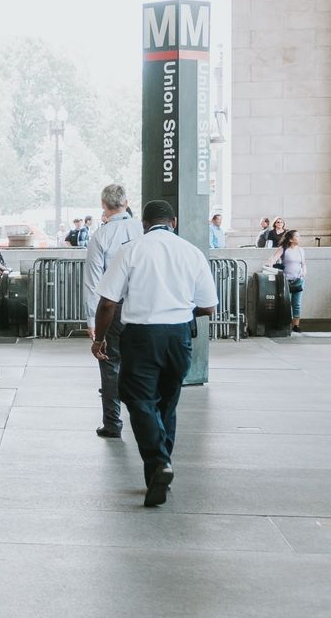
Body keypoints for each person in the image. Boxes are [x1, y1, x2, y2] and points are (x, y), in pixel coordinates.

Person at [92, 198, 218, 507]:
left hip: (142, 335)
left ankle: (159, 461)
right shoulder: (192, 253)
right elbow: (209, 306)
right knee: (167, 402)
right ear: (173, 222)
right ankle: (161, 469)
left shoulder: (132, 250)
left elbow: (108, 302)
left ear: (144, 224)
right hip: (179, 336)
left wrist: (100, 339)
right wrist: (179, 306)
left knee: (138, 399)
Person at [84, 184, 144, 439]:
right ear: (127, 202)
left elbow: (93, 282)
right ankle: (144, 420)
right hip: (143, 307)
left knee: (110, 364)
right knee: (142, 365)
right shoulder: (142, 229)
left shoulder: (101, 236)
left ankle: (112, 423)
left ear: (103, 205)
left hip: (114, 309)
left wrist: (92, 321)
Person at [269, 229, 307, 333]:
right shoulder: (283, 249)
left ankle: (296, 325)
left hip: (298, 279)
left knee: (297, 303)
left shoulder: (301, 250)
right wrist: (270, 266)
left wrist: (303, 273)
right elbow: (273, 258)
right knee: (285, 303)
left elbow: (303, 264)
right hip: (286, 280)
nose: (299, 238)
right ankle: (284, 323)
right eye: (297, 236)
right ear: (291, 239)